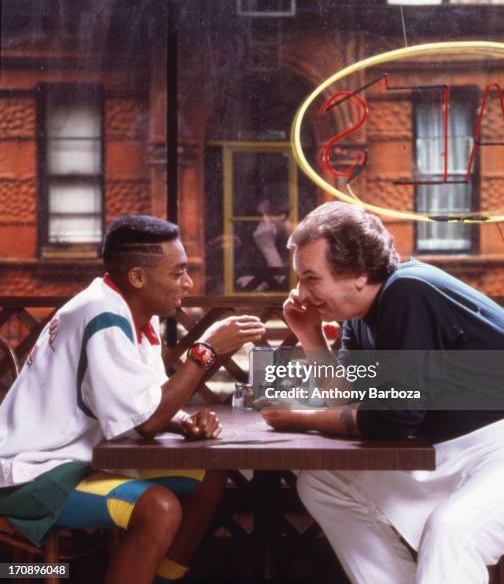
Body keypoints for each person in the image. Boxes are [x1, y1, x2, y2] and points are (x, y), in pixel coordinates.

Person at [0, 215, 266, 584]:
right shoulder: (104, 315)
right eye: (178, 273)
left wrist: (183, 421)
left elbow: (147, 403)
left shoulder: (131, 313)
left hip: (77, 461)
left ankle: (159, 579)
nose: (188, 283)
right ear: (138, 277)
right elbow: (147, 423)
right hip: (30, 475)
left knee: (209, 476)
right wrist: (205, 351)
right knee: (157, 508)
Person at [261, 201, 504, 584]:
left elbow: (392, 420)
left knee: (451, 533)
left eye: (310, 278)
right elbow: (347, 403)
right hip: (454, 452)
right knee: (322, 481)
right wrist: (310, 335)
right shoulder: (361, 314)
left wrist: (298, 419)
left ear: (358, 273)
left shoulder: (408, 291)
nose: (301, 292)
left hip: (497, 449)